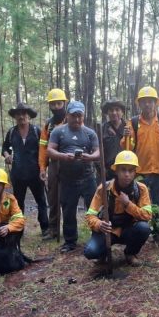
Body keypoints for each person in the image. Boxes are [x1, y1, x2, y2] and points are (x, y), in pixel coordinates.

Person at [121, 86, 159, 240]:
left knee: (158, 203)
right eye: (144, 101)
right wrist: (126, 138)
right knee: (138, 203)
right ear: (139, 103)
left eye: (150, 101)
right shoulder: (133, 122)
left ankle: (157, 233)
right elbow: (127, 148)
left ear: (155, 103)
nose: (147, 104)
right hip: (139, 172)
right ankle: (138, 233)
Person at [46, 100, 100, 252]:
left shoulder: (90, 133)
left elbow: (98, 152)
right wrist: (63, 156)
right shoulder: (58, 131)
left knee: (94, 208)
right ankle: (70, 241)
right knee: (68, 210)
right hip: (67, 179)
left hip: (88, 177)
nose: (76, 119)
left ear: (83, 116)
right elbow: (50, 150)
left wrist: (90, 157)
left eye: (79, 115)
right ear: (67, 115)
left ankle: (97, 236)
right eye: (73, 115)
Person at [84, 151, 153, 268]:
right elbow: (90, 214)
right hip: (108, 231)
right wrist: (99, 224)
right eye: (123, 170)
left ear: (135, 172)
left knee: (144, 228)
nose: (127, 174)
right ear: (116, 171)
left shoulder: (141, 189)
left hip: (128, 230)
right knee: (91, 252)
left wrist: (128, 204)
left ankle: (130, 253)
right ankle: (103, 254)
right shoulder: (104, 188)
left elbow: (147, 215)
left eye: (131, 170)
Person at [2, 102, 48, 236]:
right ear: (15, 117)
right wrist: (7, 155)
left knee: (41, 201)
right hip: (18, 174)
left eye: (24, 114)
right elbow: (4, 147)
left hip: (36, 173)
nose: (21, 116)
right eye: (18, 114)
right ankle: (18, 229)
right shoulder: (11, 132)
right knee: (18, 202)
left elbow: (44, 150)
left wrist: (44, 169)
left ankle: (45, 228)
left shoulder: (37, 131)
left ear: (28, 116)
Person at [38, 88, 69, 241]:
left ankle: (69, 230)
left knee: (68, 198)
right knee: (53, 197)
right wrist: (43, 168)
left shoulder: (72, 120)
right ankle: (53, 229)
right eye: (53, 104)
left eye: (59, 103)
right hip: (54, 164)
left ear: (64, 103)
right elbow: (43, 148)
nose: (56, 107)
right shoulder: (48, 126)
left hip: (70, 164)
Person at [100, 99, 128, 181]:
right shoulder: (102, 129)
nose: (114, 113)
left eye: (117, 110)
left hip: (126, 171)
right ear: (107, 113)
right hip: (108, 172)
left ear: (122, 112)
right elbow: (97, 150)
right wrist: (101, 169)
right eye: (111, 110)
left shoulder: (129, 127)